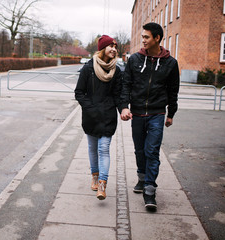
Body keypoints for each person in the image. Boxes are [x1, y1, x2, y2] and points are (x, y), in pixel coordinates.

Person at [120, 22, 180, 210]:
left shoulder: (170, 63)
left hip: (157, 113)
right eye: (143, 37)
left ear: (157, 38)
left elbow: (173, 90)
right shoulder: (135, 59)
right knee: (139, 150)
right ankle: (142, 178)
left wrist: (171, 114)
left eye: (146, 37)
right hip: (137, 113)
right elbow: (126, 85)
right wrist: (124, 107)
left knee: (152, 151)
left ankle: (150, 190)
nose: (143, 40)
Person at [75, 35, 126, 200]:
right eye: (110, 46)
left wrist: (123, 109)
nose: (114, 49)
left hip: (108, 116)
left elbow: (119, 95)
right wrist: (90, 108)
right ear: (103, 48)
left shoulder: (116, 71)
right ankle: (95, 176)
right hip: (91, 116)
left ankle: (102, 184)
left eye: (115, 47)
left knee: (103, 148)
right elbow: (79, 93)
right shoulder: (88, 69)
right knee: (92, 148)